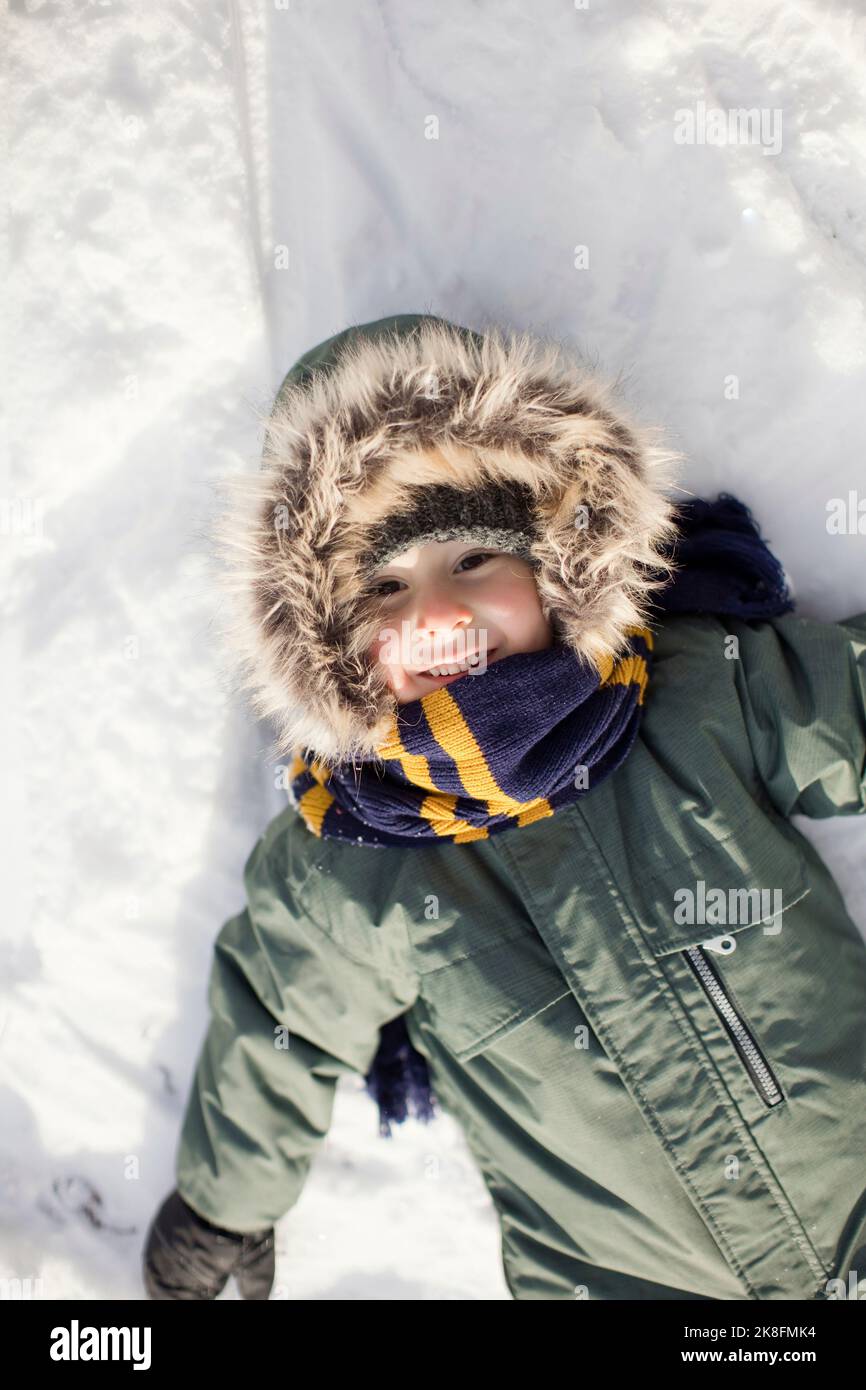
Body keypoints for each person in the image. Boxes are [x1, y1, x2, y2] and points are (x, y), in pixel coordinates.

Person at [143, 313, 866, 1300]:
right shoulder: (354, 859)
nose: (433, 617)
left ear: (555, 560)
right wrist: (221, 1202)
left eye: (472, 560)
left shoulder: (694, 693)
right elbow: (281, 1013)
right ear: (327, 649)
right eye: (383, 587)